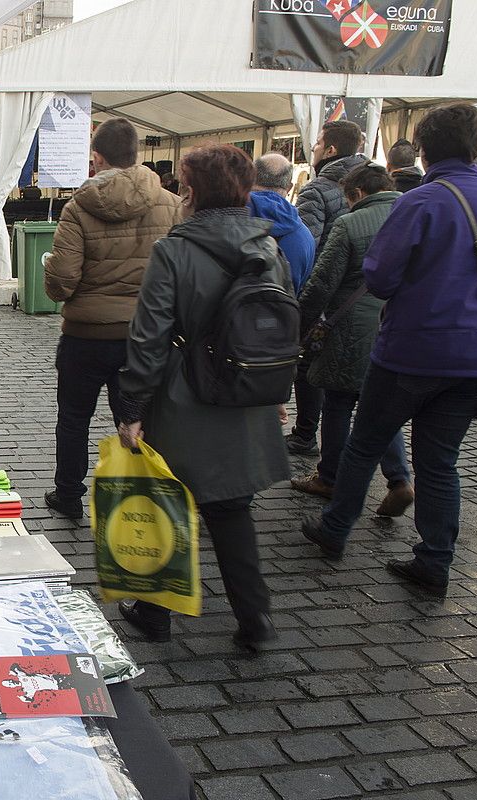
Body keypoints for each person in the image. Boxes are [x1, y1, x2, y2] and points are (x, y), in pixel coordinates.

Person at [300, 103, 477, 594]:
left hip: (411, 349)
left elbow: (380, 277)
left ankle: (335, 530)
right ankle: (435, 561)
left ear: (424, 148)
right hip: (473, 357)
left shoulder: (421, 202)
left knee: (364, 442)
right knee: (440, 460)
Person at [116, 143, 288, 650]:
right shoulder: (269, 247)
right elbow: (279, 328)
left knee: (165, 501)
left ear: (190, 191)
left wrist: (131, 408)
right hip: (244, 396)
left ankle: (155, 611)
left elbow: (147, 339)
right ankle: (257, 624)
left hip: (185, 397)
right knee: (232, 511)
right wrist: (274, 390)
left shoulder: (175, 250)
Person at [41, 118, 182, 520]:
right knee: (136, 421)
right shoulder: (171, 205)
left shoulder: (77, 208)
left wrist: (52, 273)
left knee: (73, 419)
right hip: (144, 337)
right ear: (136, 156)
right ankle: (143, 505)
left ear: (97, 158)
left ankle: (68, 495)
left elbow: (62, 282)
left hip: (85, 336)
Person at [290, 163, 414, 514]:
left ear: (357, 193)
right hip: (393, 327)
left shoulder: (350, 224)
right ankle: (400, 479)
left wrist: (298, 326)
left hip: (350, 331)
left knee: (339, 404)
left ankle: (329, 476)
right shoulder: (411, 213)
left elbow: (322, 284)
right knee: (381, 410)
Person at [289, 120, 368, 455]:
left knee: (308, 365)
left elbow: (310, 245)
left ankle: (305, 433)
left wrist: (304, 307)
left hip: (328, 294)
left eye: (318, 142)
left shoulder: (317, 189)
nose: (315, 147)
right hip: (367, 296)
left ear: (331, 149)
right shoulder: (375, 182)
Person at [249, 153, 315, 292]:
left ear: (250, 178)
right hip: (281, 311)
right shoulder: (305, 236)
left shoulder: (229, 218)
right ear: (289, 187)